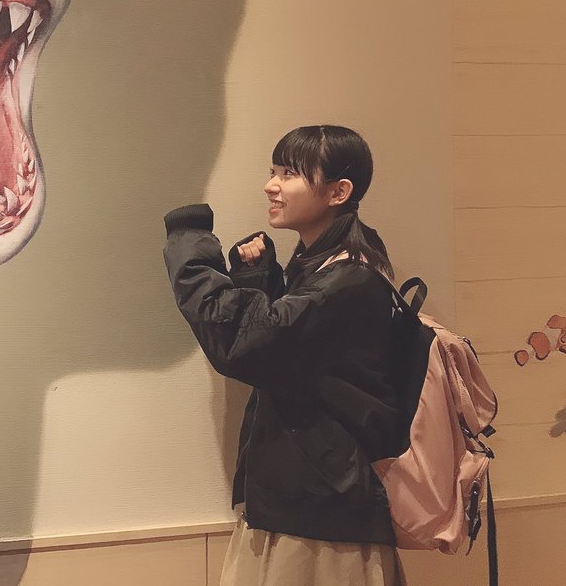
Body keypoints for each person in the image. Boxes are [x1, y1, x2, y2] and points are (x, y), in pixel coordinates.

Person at [163, 125, 405, 586]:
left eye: (289, 173)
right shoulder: (327, 268)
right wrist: (259, 279)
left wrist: (190, 243)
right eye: (273, 172)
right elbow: (288, 356)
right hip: (307, 499)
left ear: (338, 192)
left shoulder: (347, 279)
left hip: (322, 515)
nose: (270, 186)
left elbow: (240, 344)